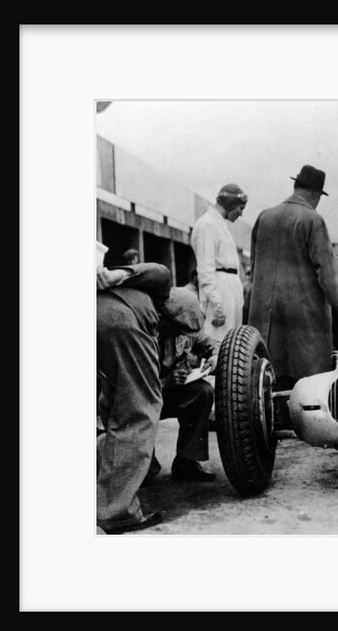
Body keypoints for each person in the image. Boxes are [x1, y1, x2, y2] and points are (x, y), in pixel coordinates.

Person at [247, 164, 338, 390]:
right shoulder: (313, 220)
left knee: (269, 388)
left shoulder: (264, 217)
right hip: (305, 330)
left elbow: (253, 270)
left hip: (266, 326)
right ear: (315, 194)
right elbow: (328, 275)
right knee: (308, 391)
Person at [96, 241, 171, 534]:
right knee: (139, 411)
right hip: (121, 323)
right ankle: (117, 512)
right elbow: (161, 271)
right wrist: (122, 274)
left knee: (112, 401)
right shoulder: (160, 295)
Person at [148, 287, 220, 483]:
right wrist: (166, 382)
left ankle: (187, 462)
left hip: (165, 397)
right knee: (143, 476)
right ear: (164, 319)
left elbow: (212, 343)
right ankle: (143, 464)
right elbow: (132, 390)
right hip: (141, 400)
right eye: (181, 328)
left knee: (202, 391)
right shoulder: (141, 335)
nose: (184, 333)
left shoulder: (183, 331)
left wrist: (215, 356)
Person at [191, 183, 248, 341]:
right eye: (240, 208)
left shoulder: (220, 225)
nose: (241, 214)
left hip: (229, 289)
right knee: (217, 341)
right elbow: (205, 269)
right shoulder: (207, 224)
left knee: (232, 343)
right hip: (220, 290)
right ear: (231, 205)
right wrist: (217, 303)